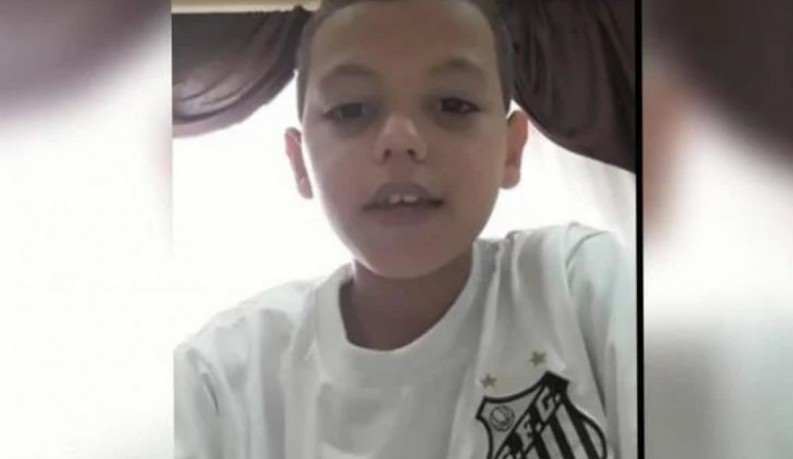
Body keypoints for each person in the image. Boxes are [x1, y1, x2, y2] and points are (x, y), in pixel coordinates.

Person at [175, 0, 635, 458]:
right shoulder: (217, 382)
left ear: (511, 150)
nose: (400, 139)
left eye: (453, 105)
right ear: (299, 161)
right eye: (351, 110)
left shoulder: (581, 286)